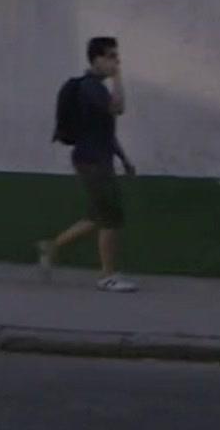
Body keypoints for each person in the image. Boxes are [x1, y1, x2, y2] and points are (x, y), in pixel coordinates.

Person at [38, 36, 139, 293]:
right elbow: (118, 108)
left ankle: (51, 246)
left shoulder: (96, 88)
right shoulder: (92, 88)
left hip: (96, 158)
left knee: (97, 216)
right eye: (111, 57)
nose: (116, 61)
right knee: (111, 219)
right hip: (92, 160)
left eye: (117, 57)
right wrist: (117, 77)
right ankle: (107, 276)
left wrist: (124, 159)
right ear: (97, 59)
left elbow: (105, 131)